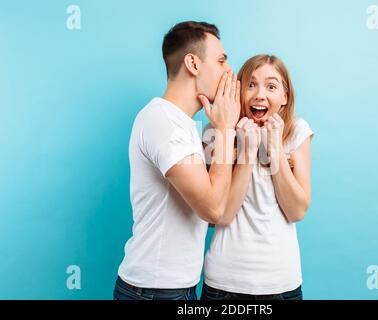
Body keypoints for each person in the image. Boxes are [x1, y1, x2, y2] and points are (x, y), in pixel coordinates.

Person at [113, 21, 240, 300]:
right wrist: (226, 129)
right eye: (221, 61)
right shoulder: (163, 121)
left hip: (174, 289)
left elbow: (204, 212)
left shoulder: (183, 125)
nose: (229, 72)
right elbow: (213, 210)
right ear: (193, 64)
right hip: (154, 291)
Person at [201, 55, 314, 300]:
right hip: (224, 282)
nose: (259, 95)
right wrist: (247, 152)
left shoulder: (297, 131)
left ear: (285, 97)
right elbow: (221, 216)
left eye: (271, 86)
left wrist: (274, 150)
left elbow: (297, 211)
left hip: (282, 282)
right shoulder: (216, 131)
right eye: (251, 85)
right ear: (238, 93)